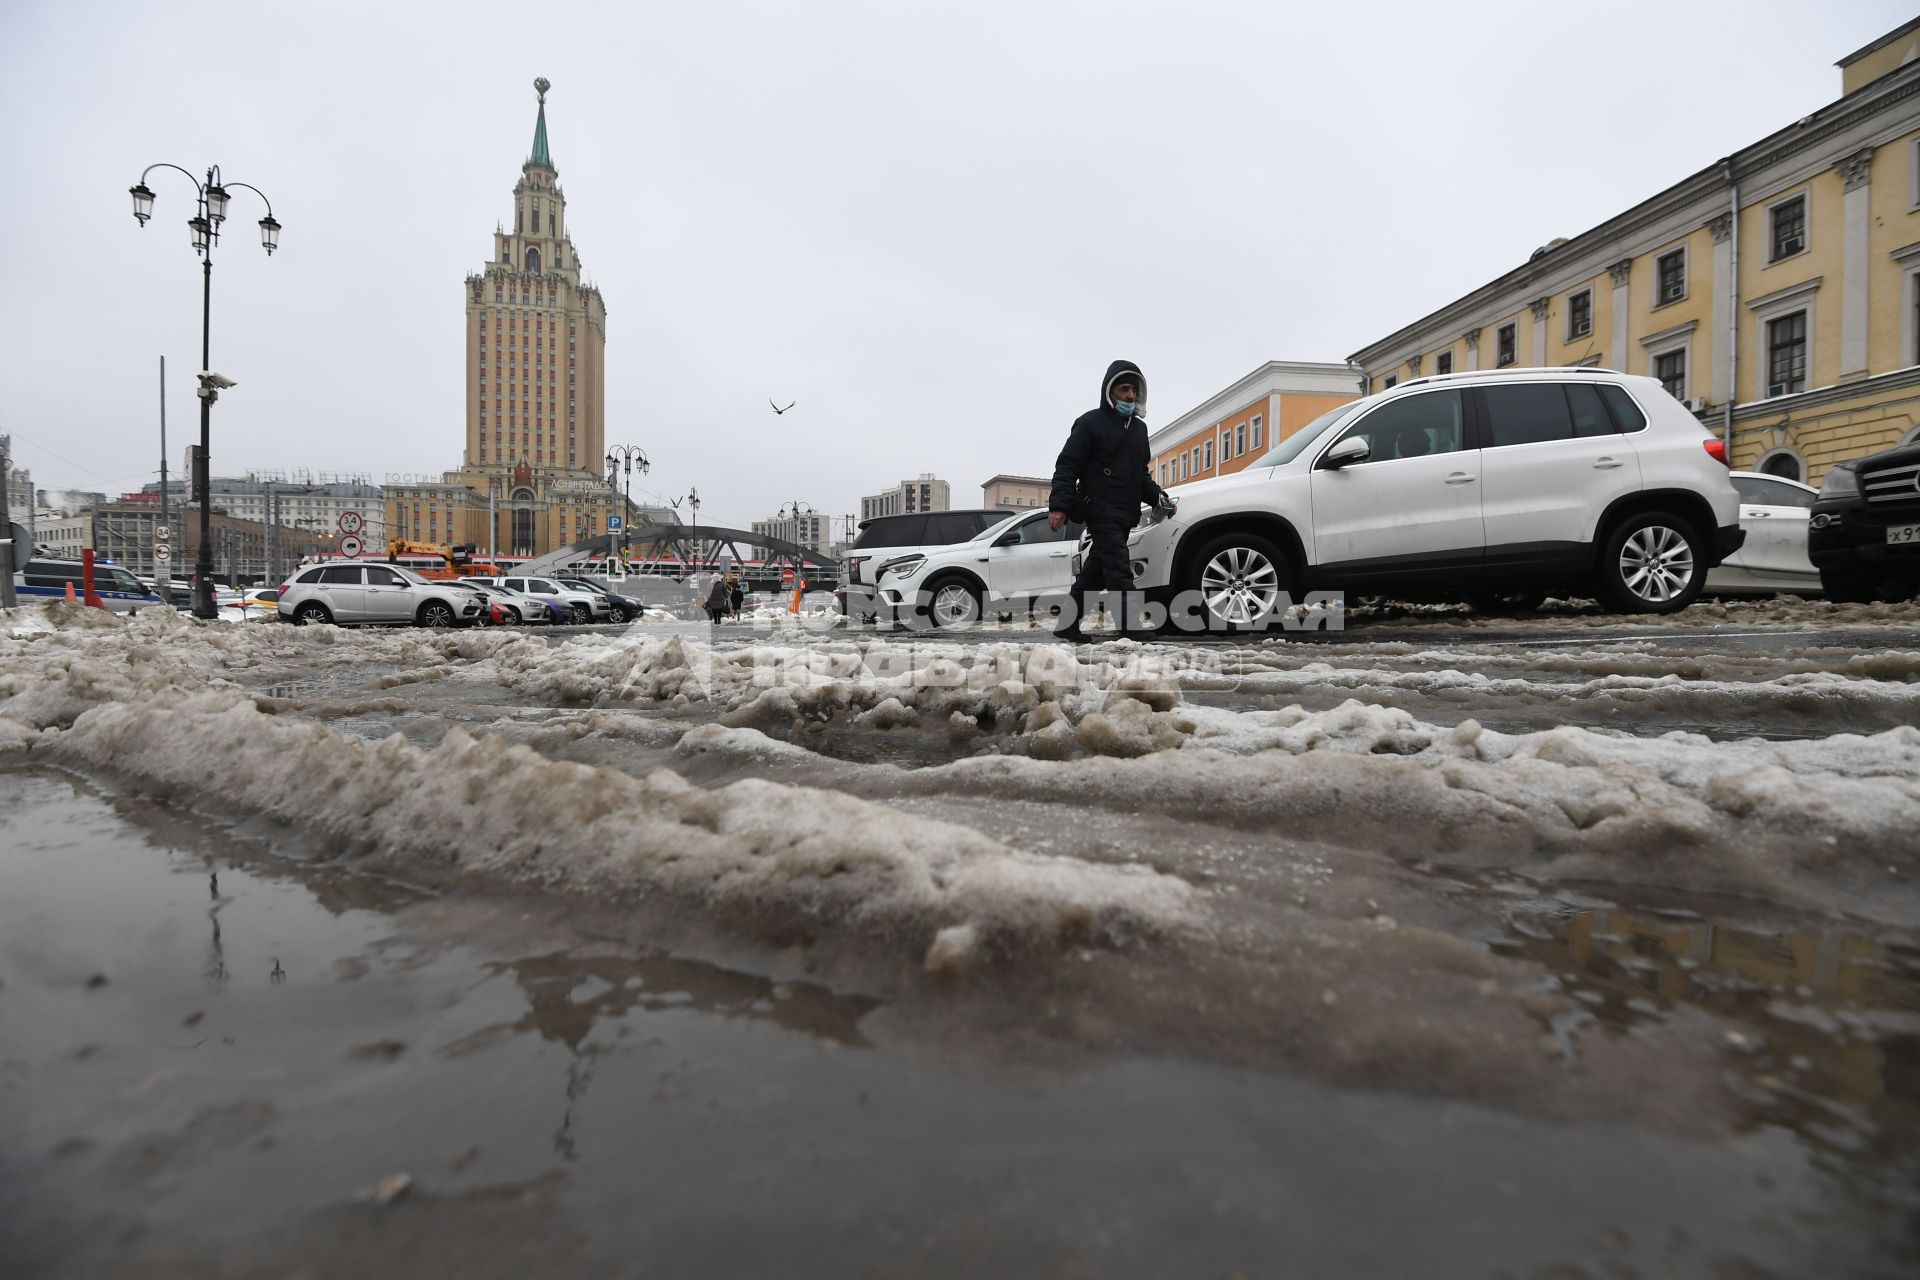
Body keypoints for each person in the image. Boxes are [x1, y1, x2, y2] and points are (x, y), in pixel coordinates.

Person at [1047, 359, 1174, 641]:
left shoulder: (1139, 430)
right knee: (1117, 567)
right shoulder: (1090, 422)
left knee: (1095, 572)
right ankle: (1130, 626)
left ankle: (1067, 624)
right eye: (1124, 389)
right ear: (1109, 391)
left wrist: (1159, 499)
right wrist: (1059, 505)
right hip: (1100, 509)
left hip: (1126, 512)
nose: (1130, 395)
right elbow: (1067, 465)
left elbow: (1140, 475)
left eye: (1134, 390)